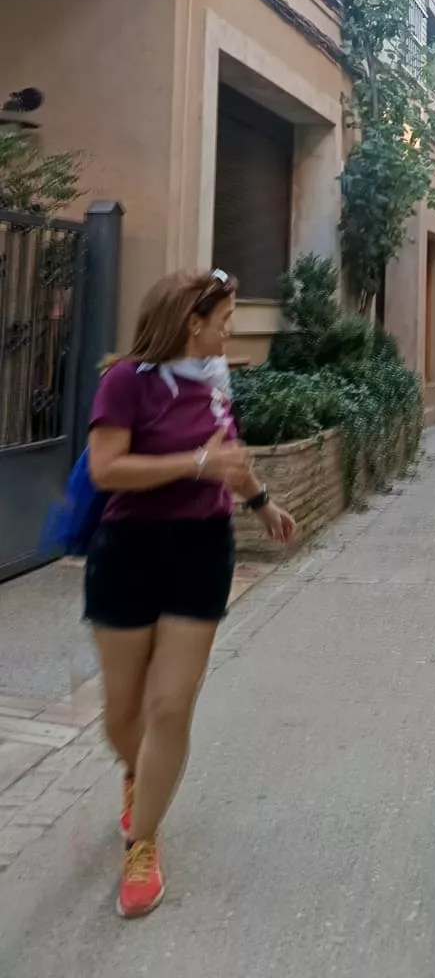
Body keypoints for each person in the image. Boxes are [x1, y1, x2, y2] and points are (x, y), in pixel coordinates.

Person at [84, 269, 295, 919]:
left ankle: (142, 841)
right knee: (124, 713)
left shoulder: (214, 381)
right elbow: (107, 468)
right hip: (128, 551)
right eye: (223, 318)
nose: (230, 329)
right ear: (189, 321)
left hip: (202, 549)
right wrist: (193, 465)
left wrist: (260, 502)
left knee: (170, 707)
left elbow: (226, 455)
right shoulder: (126, 383)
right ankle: (136, 775)